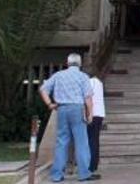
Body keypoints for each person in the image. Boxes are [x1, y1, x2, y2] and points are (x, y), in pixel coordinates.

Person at [39, 53, 97, 182]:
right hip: (77, 108)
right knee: (81, 142)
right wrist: (90, 114)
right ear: (80, 64)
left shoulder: (58, 75)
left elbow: (43, 89)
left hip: (62, 109)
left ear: (67, 63)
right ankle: (83, 174)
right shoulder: (83, 77)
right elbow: (88, 98)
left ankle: (56, 175)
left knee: (61, 142)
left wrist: (50, 104)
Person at [87, 73, 106, 177]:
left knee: (90, 140)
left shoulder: (90, 82)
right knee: (95, 139)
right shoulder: (100, 83)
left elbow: (88, 96)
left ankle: (90, 165)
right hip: (100, 114)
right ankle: (94, 164)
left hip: (92, 114)